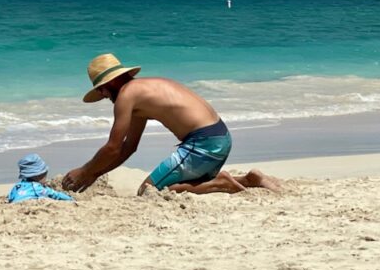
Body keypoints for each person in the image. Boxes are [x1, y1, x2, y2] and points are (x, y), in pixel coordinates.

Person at [62, 53, 279, 196]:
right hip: (219, 138)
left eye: (101, 89)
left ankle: (221, 183)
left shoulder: (126, 96)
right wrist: (94, 173)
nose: (103, 95)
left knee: (148, 190)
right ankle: (249, 180)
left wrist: (83, 170)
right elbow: (129, 148)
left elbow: (113, 147)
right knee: (162, 187)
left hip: (202, 145)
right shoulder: (142, 93)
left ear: (112, 83)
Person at [7, 153, 75, 204]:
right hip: (28, 202)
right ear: (38, 176)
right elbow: (55, 195)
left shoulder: (17, 186)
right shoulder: (38, 188)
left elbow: (10, 197)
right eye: (45, 175)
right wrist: (71, 199)